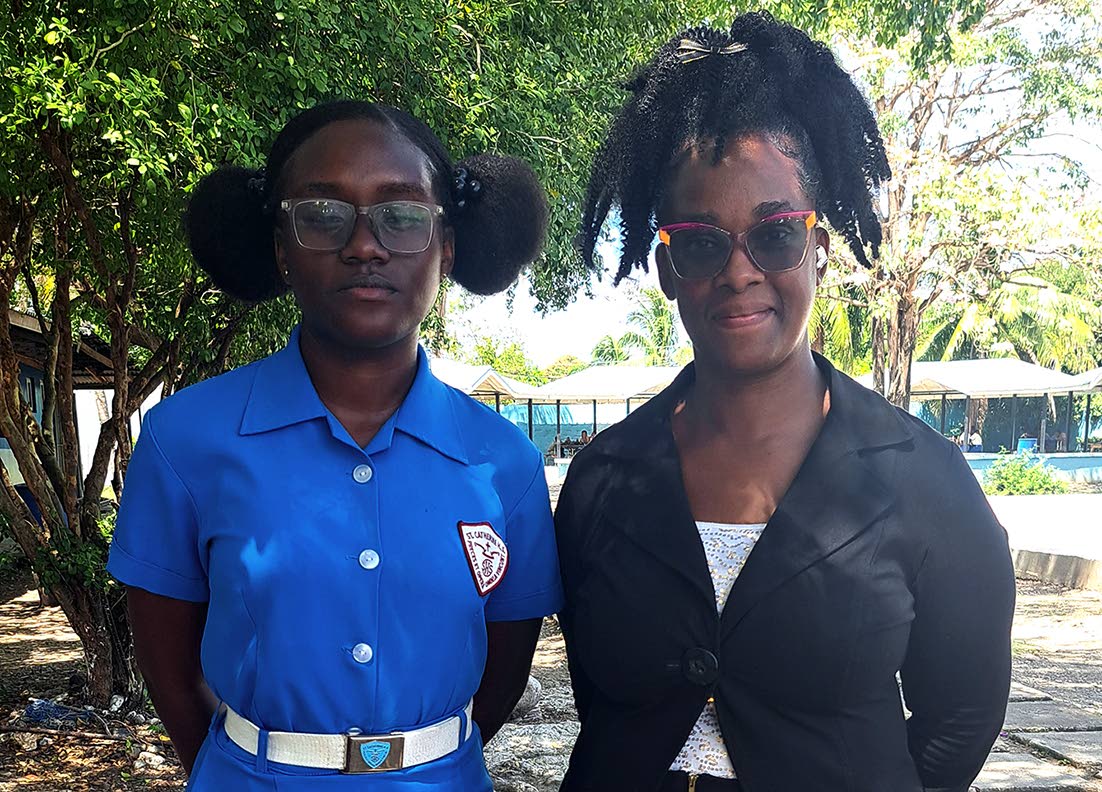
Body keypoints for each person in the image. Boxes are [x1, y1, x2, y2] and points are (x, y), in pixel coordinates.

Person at [556, 15, 1015, 792]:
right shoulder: (603, 479)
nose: (739, 272)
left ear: (819, 249)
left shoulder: (923, 481)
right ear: (666, 267)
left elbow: (963, 715)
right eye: (701, 241)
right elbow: (603, 703)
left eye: (773, 234)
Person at [107, 100, 562, 790]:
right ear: (280, 247)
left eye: (403, 215)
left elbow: (502, 678)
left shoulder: (507, 466)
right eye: (322, 215)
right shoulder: (183, 441)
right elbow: (167, 668)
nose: (365, 245)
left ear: (448, 246)